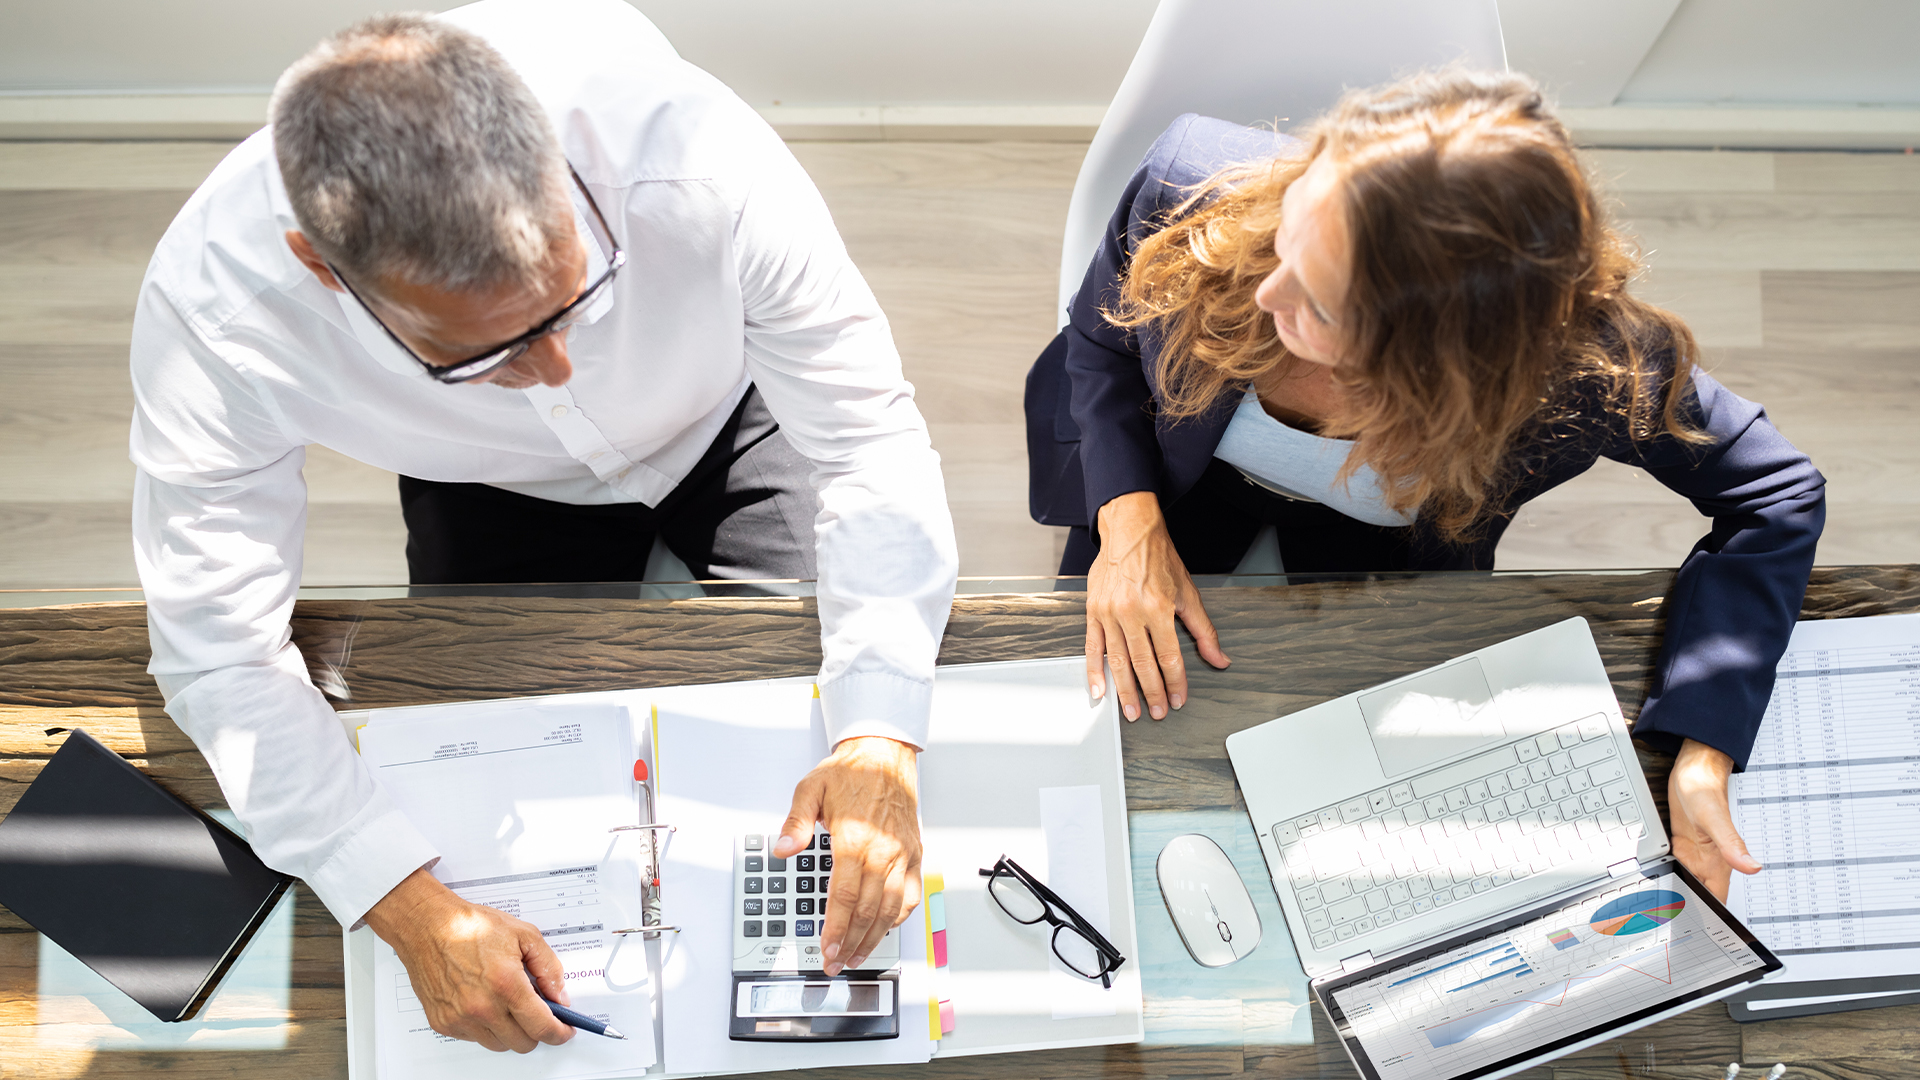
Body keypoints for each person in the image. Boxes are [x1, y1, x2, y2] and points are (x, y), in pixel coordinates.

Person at [130, 0, 956, 1053]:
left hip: (733, 414)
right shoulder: (213, 321)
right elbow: (219, 654)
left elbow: (867, 448)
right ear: (321, 268)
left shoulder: (699, 159)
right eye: (481, 355)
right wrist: (402, 903)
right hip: (484, 488)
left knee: (819, 733)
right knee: (494, 770)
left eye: (579, 300)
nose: (557, 370)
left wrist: (879, 735)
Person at [1025, 70, 1824, 901]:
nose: (1269, 293)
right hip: (1164, 477)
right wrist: (1127, 523)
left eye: (1324, 306)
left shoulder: (1592, 370)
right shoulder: (1189, 182)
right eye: (1292, 233)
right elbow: (1099, 344)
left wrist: (1705, 744)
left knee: (1370, 826)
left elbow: (1777, 495)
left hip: (1386, 558)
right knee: (1090, 769)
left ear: (1448, 362)